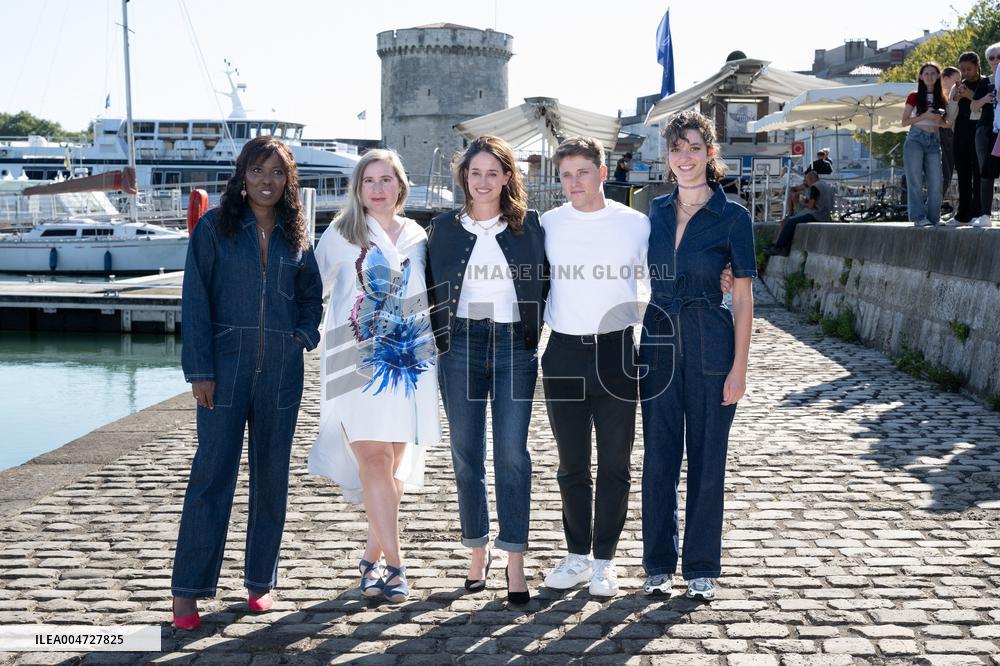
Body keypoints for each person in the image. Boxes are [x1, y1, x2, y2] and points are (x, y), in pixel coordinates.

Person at [171, 136, 323, 629]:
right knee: (212, 476)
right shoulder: (214, 228)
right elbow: (195, 301)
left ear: (289, 180)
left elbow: (310, 295)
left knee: (271, 478)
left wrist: (303, 333)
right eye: (258, 170)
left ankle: (261, 582)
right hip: (225, 365)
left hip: (282, 370)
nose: (267, 181)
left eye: (278, 173)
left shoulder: (296, 233)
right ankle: (188, 590)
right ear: (242, 175)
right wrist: (200, 371)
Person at [308, 150, 440, 604]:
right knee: (375, 461)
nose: (378, 188)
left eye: (386, 179)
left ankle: (371, 559)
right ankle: (398, 568)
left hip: (409, 361)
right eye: (369, 180)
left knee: (395, 463)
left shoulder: (420, 236)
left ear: (400, 185)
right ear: (358, 189)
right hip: (353, 360)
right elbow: (308, 289)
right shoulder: (341, 234)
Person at [639, 110, 755, 601]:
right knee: (659, 458)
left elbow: (745, 297)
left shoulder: (734, 217)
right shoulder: (656, 213)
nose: (684, 157)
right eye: (676, 148)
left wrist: (739, 368)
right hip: (659, 341)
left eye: (693, 147)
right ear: (667, 157)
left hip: (711, 341)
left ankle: (702, 565)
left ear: (710, 153)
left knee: (709, 459)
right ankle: (658, 564)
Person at [426, 136, 547, 605]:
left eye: (492, 173)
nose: (483, 181)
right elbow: (420, 282)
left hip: (514, 346)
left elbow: (559, 275)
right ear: (464, 177)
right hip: (459, 346)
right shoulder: (442, 228)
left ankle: (515, 560)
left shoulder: (530, 227)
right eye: (475, 173)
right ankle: (477, 551)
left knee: (512, 455)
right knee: (465, 454)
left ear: (507, 177)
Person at [539, 136, 648, 598]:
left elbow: (673, 266)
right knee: (571, 465)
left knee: (616, 464)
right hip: (562, 351)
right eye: (565, 175)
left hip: (617, 352)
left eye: (583, 172)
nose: (574, 182)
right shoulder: (546, 224)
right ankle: (577, 555)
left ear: (602, 172)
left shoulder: (637, 224)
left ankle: (605, 560)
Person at [902, 61, 948, 226]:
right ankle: (918, 218)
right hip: (916, 138)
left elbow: (946, 124)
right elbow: (904, 122)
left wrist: (941, 120)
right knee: (915, 180)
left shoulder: (942, 97)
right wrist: (925, 116)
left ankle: (934, 217)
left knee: (937, 181)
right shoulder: (914, 96)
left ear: (938, 76)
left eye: (933, 73)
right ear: (921, 76)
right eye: (926, 73)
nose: (929, 76)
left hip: (934, 140)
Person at [764, 169, 834, 256]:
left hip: (817, 214)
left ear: (810, 179)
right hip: (825, 214)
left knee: (790, 222)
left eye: (806, 180)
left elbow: (810, 206)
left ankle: (778, 248)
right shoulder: (825, 185)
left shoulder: (815, 187)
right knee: (789, 221)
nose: (805, 182)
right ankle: (783, 247)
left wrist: (801, 202)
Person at [953, 52, 987, 224]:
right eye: (963, 69)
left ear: (977, 67)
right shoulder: (960, 84)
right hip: (961, 131)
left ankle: (977, 213)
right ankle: (962, 213)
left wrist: (969, 95)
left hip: (979, 130)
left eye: (969, 69)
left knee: (978, 173)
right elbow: (951, 107)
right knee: (963, 174)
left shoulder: (985, 83)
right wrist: (956, 96)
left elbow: (987, 104)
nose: (966, 73)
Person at [973, 43, 1000, 228]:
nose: (996, 60)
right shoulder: (985, 82)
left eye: (999, 56)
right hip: (985, 131)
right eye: (992, 57)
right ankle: (985, 215)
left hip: (998, 131)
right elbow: (973, 107)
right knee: (986, 173)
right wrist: (985, 99)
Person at [940, 66, 960, 204]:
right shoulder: (939, 97)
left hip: (951, 136)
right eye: (957, 80)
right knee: (943, 172)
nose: (960, 83)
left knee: (947, 172)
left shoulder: (954, 95)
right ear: (946, 79)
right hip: (941, 135)